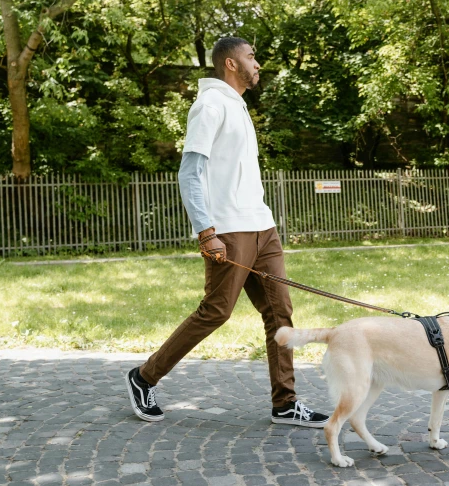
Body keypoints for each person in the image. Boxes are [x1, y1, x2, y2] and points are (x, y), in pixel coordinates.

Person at [125, 37, 329, 428]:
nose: (258, 63)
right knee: (216, 311)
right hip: (229, 229)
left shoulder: (238, 106)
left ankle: (285, 403)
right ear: (231, 64)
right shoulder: (210, 105)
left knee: (280, 311)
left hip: (261, 226)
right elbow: (190, 172)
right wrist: (205, 230)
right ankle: (143, 377)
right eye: (252, 56)